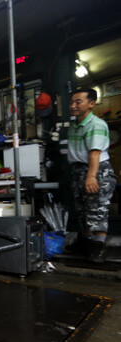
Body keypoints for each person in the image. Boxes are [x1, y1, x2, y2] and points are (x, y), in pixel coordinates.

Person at [66, 88, 116, 263]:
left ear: (91, 104)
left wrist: (91, 176)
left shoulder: (96, 124)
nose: (73, 105)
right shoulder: (74, 124)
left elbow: (95, 153)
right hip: (79, 170)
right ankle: (86, 242)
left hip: (96, 170)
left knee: (97, 209)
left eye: (78, 102)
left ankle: (98, 247)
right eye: (71, 101)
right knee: (82, 210)